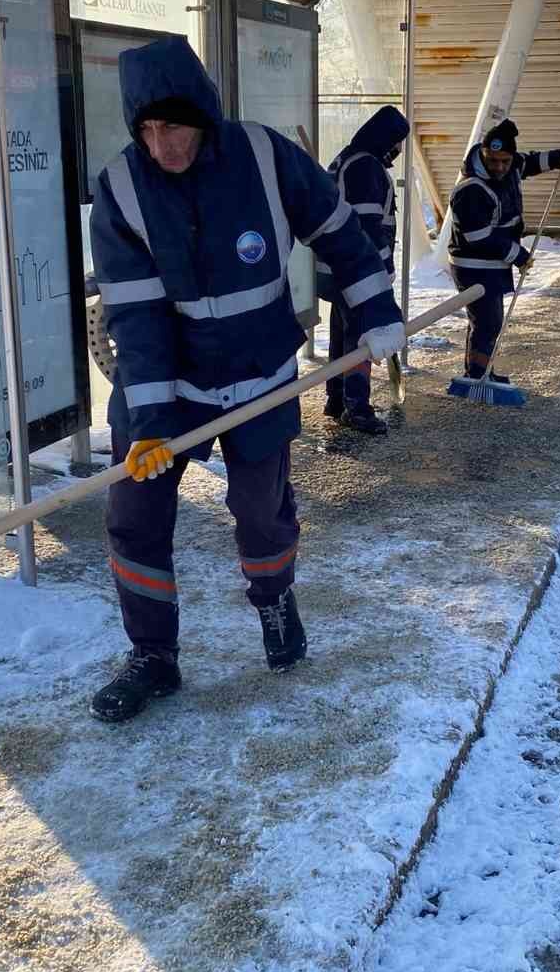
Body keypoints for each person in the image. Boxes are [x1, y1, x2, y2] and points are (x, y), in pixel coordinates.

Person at [86, 36, 404, 723]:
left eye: (172, 124)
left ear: (201, 110)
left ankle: (274, 601)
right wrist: (150, 425)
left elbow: (341, 232)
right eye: (147, 129)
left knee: (261, 513)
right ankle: (153, 657)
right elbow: (136, 320)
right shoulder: (120, 191)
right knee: (134, 519)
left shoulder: (264, 156)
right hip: (165, 386)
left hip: (262, 377)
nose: (162, 143)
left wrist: (376, 311)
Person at [446, 119, 560, 383]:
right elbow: (479, 237)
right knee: (487, 321)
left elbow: (527, 163)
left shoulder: (510, 166)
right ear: (482, 154)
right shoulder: (470, 189)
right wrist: (518, 255)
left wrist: (559, 157)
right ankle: (476, 375)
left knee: (489, 321)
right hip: (473, 264)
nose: (499, 167)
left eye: (504, 161)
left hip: (493, 263)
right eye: (492, 161)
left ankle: (480, 372)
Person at [320, 105, 410, 435]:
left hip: (338, 269)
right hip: (358, 272)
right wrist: (381, 270)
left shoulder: (347, 158)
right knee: (362, 336)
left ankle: (336, 399)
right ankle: (357, 407)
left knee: (341, 334)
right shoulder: (366, 167)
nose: (397, 152)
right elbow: (367, 228)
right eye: (396, 143)